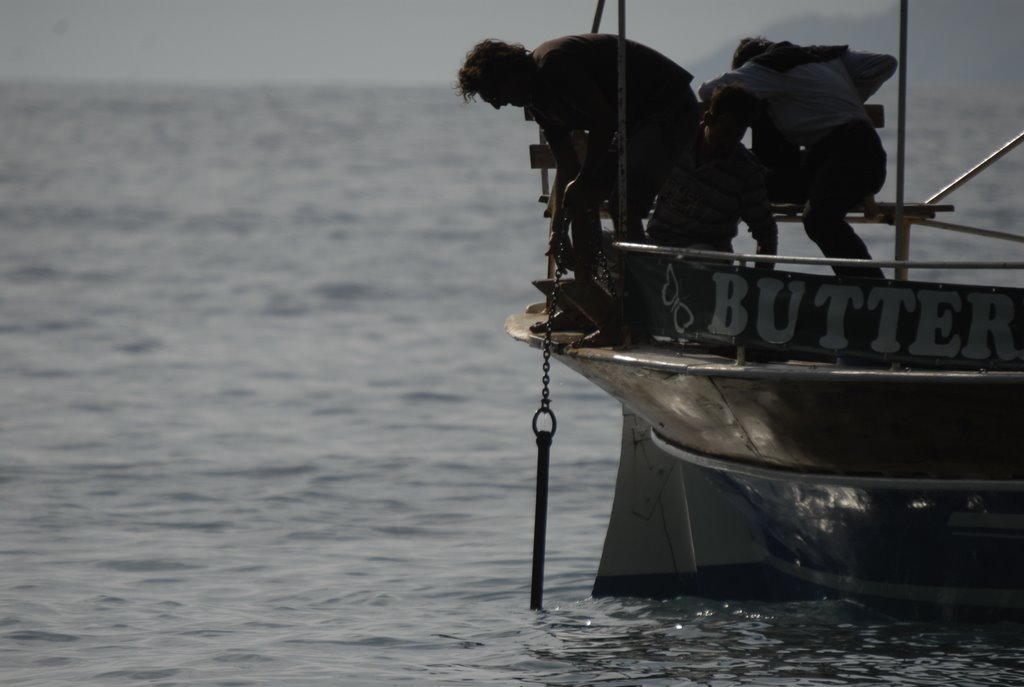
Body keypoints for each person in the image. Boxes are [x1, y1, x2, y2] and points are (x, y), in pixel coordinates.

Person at [456, 35, 701, 287]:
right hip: (631, 126)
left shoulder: (553, 65)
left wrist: (583, 179)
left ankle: (644, 294)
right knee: (582, 197)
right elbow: (568, 166)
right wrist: (558, 230)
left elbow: (603, 120)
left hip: (669, 108)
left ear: (509, 73)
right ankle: (588, 297)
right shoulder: (536, 101)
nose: (497, 106)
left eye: (494, 95)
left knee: (623, 203)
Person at [698, 38, 897, 279]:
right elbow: (885, 63)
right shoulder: (824, 57)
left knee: (819, 220)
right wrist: (840, 99)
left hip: (851, 153)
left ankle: (870, 287)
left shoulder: (769, 67)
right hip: (839, 158)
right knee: (757, 185)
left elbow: (708, 91)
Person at [646, 84, 778, 265]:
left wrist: (758, 284)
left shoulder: (747, 173)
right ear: (708, 119)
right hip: (655, 244)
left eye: (738, 135)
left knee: (693, 258)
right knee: (601, 243)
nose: (729, 143)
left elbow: (766, 235)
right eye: (725, 133)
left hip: (705, 255)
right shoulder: (677, 140)